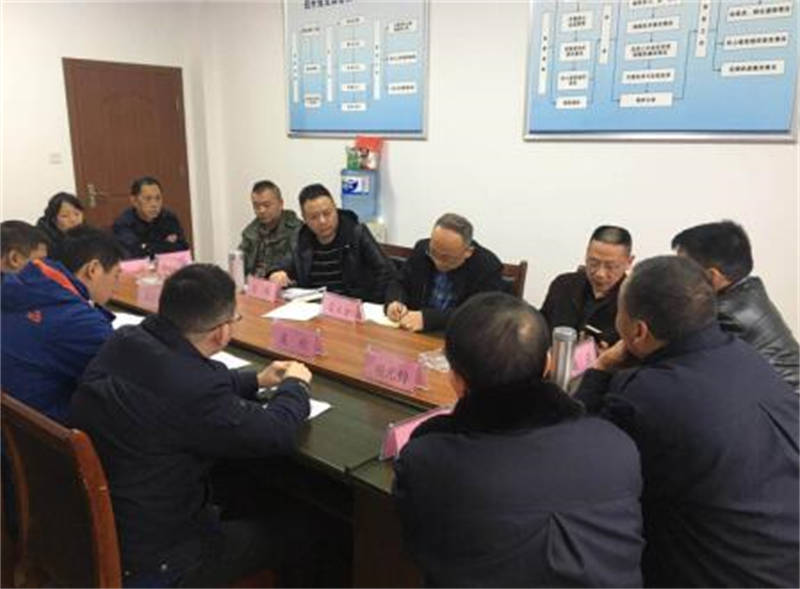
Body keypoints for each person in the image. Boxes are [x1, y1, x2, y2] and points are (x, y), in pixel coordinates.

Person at [70, 264, 317, 587]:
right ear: (221, 332)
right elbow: (275, 431)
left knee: (244, 487)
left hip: (109, 524)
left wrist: (255, 380)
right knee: (304, 527)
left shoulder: (128, 339)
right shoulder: (194, 389)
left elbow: (182, 381)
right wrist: (296, 386)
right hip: (159, 559)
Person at [576, 256, 799, 587]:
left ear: (638, 331)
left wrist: (599, 370)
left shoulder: (644, 393)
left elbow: (580, 461)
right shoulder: (749, 356)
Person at [394, 292, 644, 587]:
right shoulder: (616, 445)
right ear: (548, 364)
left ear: (456, 380)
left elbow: (416, 545)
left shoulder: (428, 460)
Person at [1, 226, 123, 423]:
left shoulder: (20, 285)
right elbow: (126, 381)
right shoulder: (79, 321)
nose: (117, 287)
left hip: (13, 424)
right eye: (116, 275)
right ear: (93, 269)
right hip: (43, 432)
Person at [672, 220, 798, 389]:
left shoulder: (726, 314)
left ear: (712, 276)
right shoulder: (749, 288)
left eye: (682, 268)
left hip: (785, 402)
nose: (676, 275)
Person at [268, 183, 395, 303]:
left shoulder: (356, 233)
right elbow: (281, 266)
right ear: (305, 219)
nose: (322, 221)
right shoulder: (301, 238)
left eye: (327, 213)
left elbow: (387, 271)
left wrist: (371, 302)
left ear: (336, 209)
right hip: (313, 309)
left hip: (350, 308)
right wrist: (276, 273)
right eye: (314, 217)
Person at [384, 214, 504, 332]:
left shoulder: (488, 266)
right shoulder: (422, 249)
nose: (438, 262)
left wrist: (428, 319)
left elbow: (480, 314)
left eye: (446, 258)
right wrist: (395, 302)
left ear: (468, 252)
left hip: (456, 335)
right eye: (433, 252)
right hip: (413, 331)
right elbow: (400, 282)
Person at [541, 225, 633, 346]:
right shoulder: (563, 286)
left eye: (610, 266)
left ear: (629, 262)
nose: (600, 274)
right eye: (593, 263)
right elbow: (540, 330)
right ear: (586, 255)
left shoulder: (633, 302)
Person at [113, 176, 189, 259]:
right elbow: (134, 252)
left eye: (158, 198)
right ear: (134, 201)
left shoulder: (169, 218)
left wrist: (148, 246)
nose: (154, 204)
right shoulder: (123, 224)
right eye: (148, 199)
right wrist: (165, 244)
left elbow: (183, 248)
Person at [238, 180, 301, 277]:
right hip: (253, 283)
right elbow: (239, 264)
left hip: (282, 283)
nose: (261, 210)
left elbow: (295, 265)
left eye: (266, 205)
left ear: (281, 203)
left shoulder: (296, 230)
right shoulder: (250, 232)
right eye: (256, 206)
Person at [35, 191, 85, 262]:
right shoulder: (43, 240)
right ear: (53, 219)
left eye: (77, 214)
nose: (73, 219)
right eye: (65, 216)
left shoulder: (88, 234)